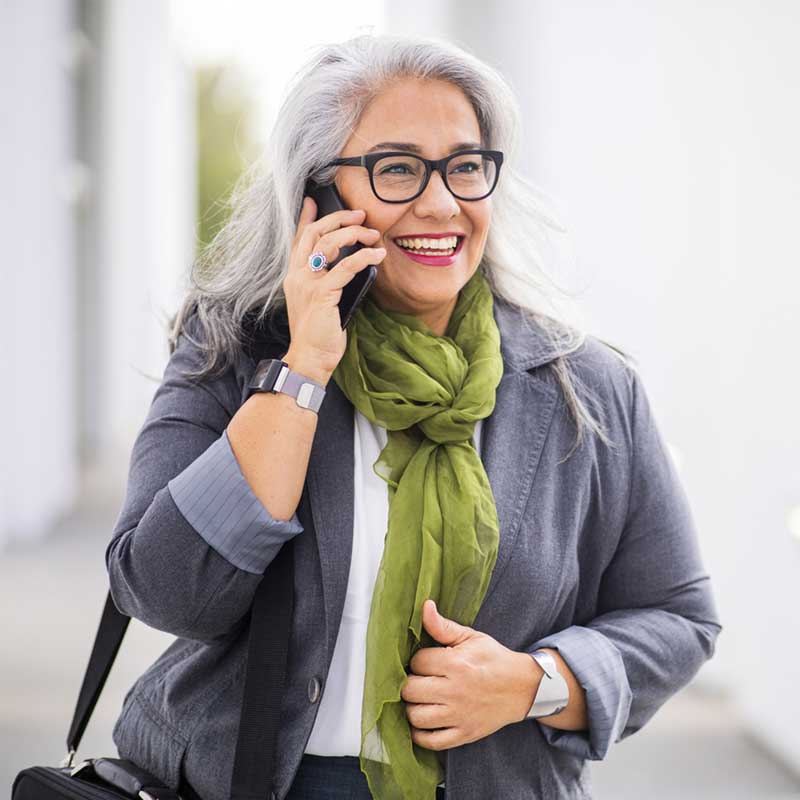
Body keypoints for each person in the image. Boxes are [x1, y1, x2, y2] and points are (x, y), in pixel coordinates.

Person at [106, 33, 723, 800]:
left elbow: (678, 616)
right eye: (397, 168)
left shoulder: (587, 387)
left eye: (464, 167)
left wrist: (535, 683)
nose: (440, 204)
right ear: (320, 195)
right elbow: (166, 592)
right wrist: (302, 369)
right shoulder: (231, 351)